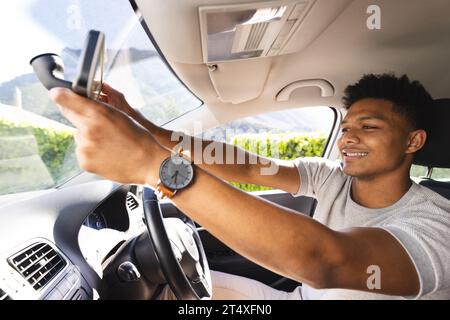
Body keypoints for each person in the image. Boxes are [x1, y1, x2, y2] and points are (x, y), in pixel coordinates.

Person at [49, 74, 450, 300]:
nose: (347, 139)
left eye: (369, 127)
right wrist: (144, 128)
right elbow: (250, 167)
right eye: (345, 128)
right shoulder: (333, 176)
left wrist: (153, 166)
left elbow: (327, 261)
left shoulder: (437, 223)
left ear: (413, 142)